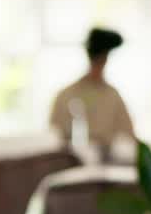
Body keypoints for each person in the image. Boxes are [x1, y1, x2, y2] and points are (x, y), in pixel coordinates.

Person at [49, 27, 135, 155]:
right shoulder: (67, 95)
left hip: (107, 159)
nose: (101, 61)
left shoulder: (112, 95)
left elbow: (129, 133)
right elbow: (55, 135)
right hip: (75, 158)